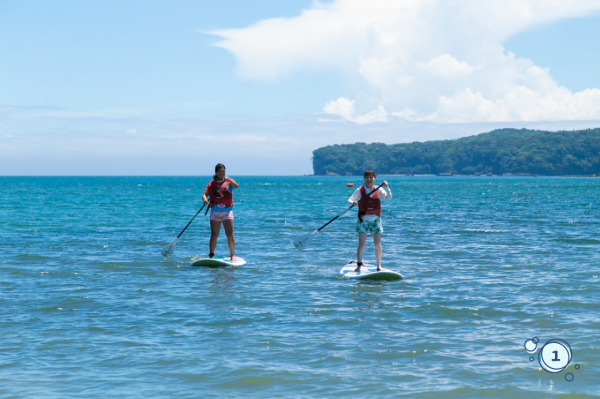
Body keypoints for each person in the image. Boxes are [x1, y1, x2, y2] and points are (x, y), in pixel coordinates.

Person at [347, 170, 392, 272]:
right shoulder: (359, 190)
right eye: (367, 177)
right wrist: (353, 202)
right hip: (363, 220)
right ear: (364, 179)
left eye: (371, 177)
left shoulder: (378, 189)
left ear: (374, 179)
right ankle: (358, 266)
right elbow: (349, 200)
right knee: (362, 244)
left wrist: (386, 187)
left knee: (377, 243)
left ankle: (379, 266)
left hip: (376, 220)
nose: (369, 179)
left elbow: (389, 198)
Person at [202, 163, 239, 259]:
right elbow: (205, 194)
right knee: (214, 235)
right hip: (215, 212)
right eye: (220, 172)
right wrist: (205, 200)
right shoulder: (212, 183)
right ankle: (211, 256)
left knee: (230, 234)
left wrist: (230, 180)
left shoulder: (229, 182)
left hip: (227, 212)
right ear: (216, 173)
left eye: (224, 171)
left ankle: (232, 256)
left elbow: (236, 186)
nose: (222, 173)